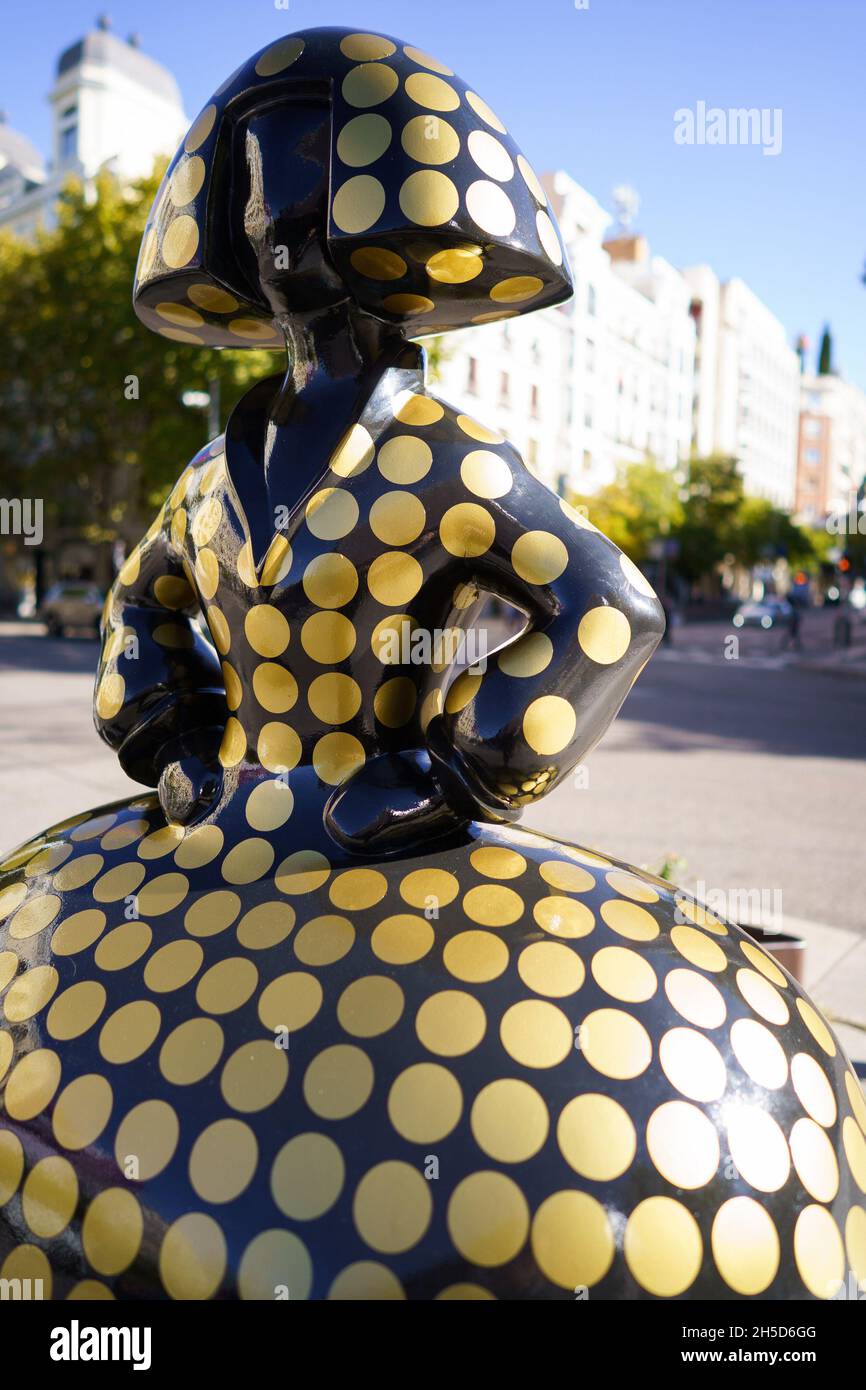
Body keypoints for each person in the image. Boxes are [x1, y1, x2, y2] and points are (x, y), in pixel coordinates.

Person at [1, 27, 863, 1302]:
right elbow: (140, 609)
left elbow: (605, 606)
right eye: (252, 200)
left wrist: (457, 772)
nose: (275, 227)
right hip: (222, 826)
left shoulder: (443, 454)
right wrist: (171, 744)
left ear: (379, 215)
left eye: (299, 188)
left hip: (374, 818)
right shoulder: (208, 476)